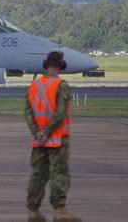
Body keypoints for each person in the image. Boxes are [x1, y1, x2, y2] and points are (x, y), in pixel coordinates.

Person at [24, 51, 81, 222]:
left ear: (46, 65)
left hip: (38, 141)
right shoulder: (60, 85)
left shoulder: (34, 85)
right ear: (60, 66)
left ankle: (33, 212)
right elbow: (60, 113)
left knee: (38, 175)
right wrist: (47, 133)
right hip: (57, 140)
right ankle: (59, 211)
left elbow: (28, 112)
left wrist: (37, 133)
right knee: (59, 174)